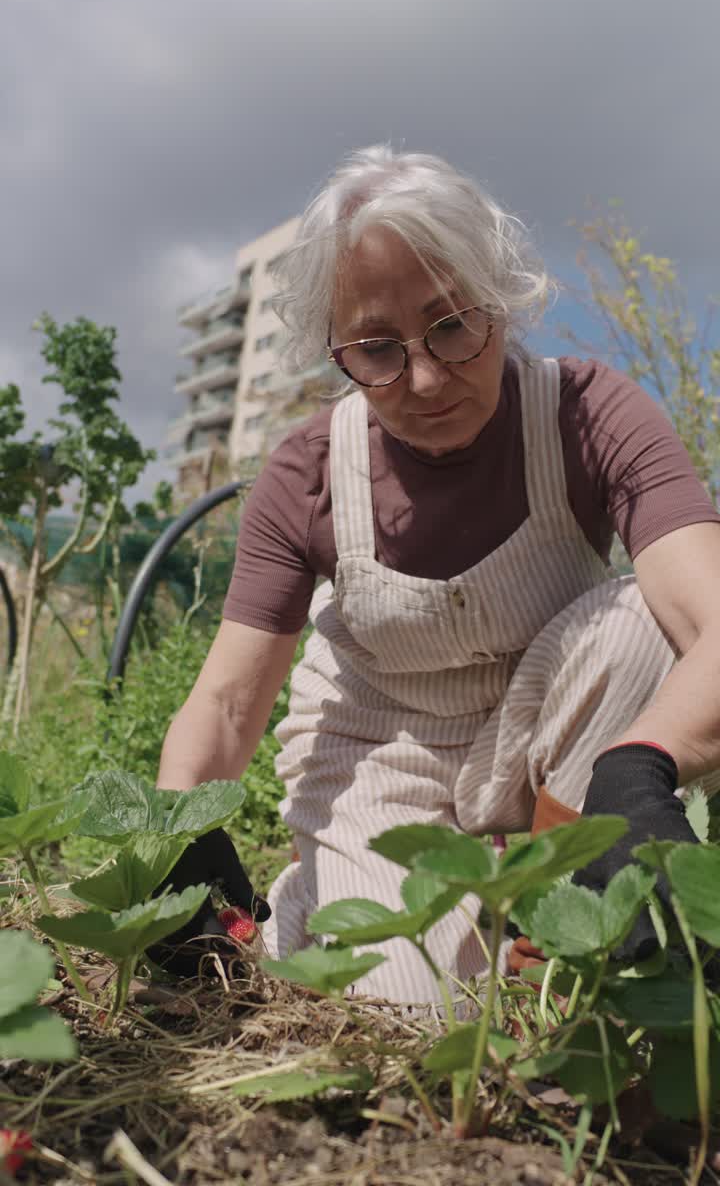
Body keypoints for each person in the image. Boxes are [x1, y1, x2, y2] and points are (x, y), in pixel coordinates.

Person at [153, 145, 720, 1001]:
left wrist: (640, 768)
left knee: (644, 619)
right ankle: (331, 900)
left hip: (545, 740)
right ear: (336, 349)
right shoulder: (309, 473)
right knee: (417, 1013)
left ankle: (554, 907)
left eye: (453, 325)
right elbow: (229, 703)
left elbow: (710, 622)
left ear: (502, 298)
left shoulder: (587, 416)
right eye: (377, 350)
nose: (423, 378)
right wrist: (175, 840)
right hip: (381, 749)